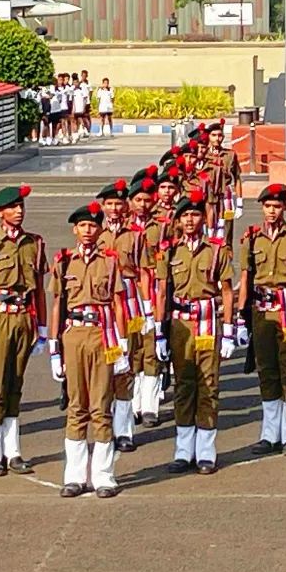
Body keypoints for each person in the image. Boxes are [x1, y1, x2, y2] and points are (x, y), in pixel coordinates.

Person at [49, 201, 129, 498]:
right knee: (75, 406)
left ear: (100, 229)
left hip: (101, 335)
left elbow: (118, 304)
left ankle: (104, 475)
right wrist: (54, 347)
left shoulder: (109, 261)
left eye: (93, 225)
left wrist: (121, 344)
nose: (88, 230)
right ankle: (74, 475)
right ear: (74, 229)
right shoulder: (64, 261)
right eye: (83, 225)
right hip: (73, 335)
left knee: (101, 406)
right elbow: (57, 304)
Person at [0, 184, 48, 476]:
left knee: (16, 387)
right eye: (13, 207)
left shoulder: (34, 244)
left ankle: (12, 450)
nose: (19, 211)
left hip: (24, 319)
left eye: (21, 206)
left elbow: (38, 288)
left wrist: (42, 328)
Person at [235, 183, 286, 456]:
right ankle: (270, 434)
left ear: (285, 208)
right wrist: (239, 317)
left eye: (277, 206)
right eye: (268, 206)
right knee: (266, 369)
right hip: (260, 308)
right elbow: (246, 278)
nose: (272, 211)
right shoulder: (251, 236)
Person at [155, 190, 235, 474]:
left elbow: (226, 291)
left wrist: (229, 329)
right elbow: (163, 291)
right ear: (177, 220)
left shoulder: (215, 250)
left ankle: (206, 451)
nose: (190, 220)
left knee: (208, 385)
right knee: (184, 385)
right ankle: (183, 450)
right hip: (179, 324)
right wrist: (159, 331)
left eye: (195, 214)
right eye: (185, 215)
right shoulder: (170, 251)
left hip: (208, 322)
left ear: (203, 217)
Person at [96, 179, 146, 452]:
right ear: (103, 207)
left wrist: (148, 310)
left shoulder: (136, 234)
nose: (115, 209)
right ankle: (104, 427)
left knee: (127, 367)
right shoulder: (94, 233)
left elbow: (145, 272)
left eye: (118, 203)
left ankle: (124, 430)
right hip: (102, 304)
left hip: (129, 301)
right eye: (110, 204)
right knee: (104, 367)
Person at [129, 169, 162, 426]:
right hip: (127, 297)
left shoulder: (161, 227)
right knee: (131, 351)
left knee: (151, 350)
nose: (143, 204)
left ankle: (150, 406)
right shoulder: (120, 230)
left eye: (147, 199)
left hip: (153, 293)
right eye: (138, 199)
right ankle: (133, 403)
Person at [205, 119, 243, 244]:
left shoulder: (230, 155)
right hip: (208, 197)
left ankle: (227, 256)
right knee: (208, 231)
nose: (217, 138)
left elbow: (237, 178)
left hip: (226, 198)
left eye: (220, 135)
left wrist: (239, 202)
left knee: (227, 229)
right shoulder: (203, 156)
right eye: (214, 135)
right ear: (208, 137)